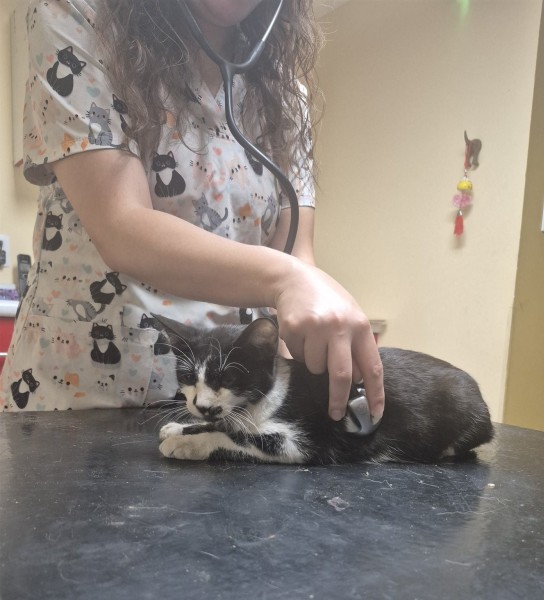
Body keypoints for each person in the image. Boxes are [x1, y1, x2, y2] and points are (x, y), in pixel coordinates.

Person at [0, 0, 384, 423]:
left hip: (232, 414)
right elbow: (121, 226)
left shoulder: (286, 94)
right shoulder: (77, 12)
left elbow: (296, 254)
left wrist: (298, 395)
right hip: (81, 406)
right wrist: (288, 280)